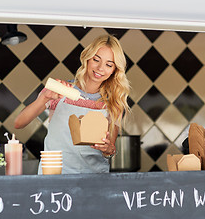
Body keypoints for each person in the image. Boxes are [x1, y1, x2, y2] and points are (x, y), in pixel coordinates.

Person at [14, 34, 130, 174]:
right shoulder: (60, 90)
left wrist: (108, 149)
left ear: (114, 70)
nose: (100, 68)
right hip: (56, 177)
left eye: (109, 64)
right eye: (96, 59)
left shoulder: (113, 103)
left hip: (94, 181)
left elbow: (109, 148)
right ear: (87, 58)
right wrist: (44, 98)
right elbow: (19, 123)